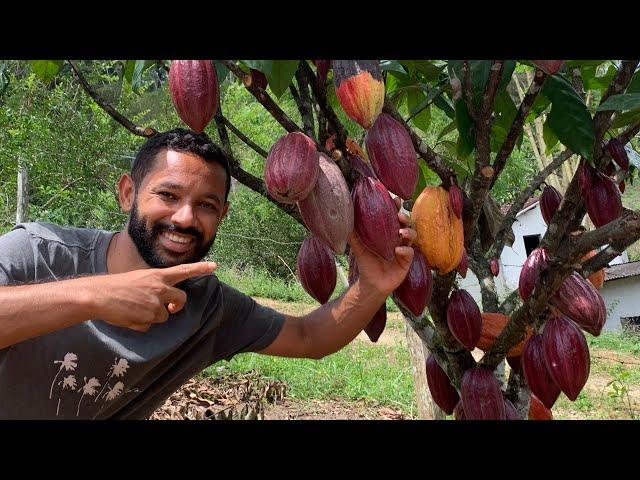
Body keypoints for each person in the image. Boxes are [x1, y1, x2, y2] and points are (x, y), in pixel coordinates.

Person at [0, 128, 416, 419]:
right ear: (128, 192)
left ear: (223, 214)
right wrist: (98, 296)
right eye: (168, 195)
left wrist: (374, 285)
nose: (185, 217)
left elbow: (309, 337)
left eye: (206, 205)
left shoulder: (207, 308)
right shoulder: (40, 253)